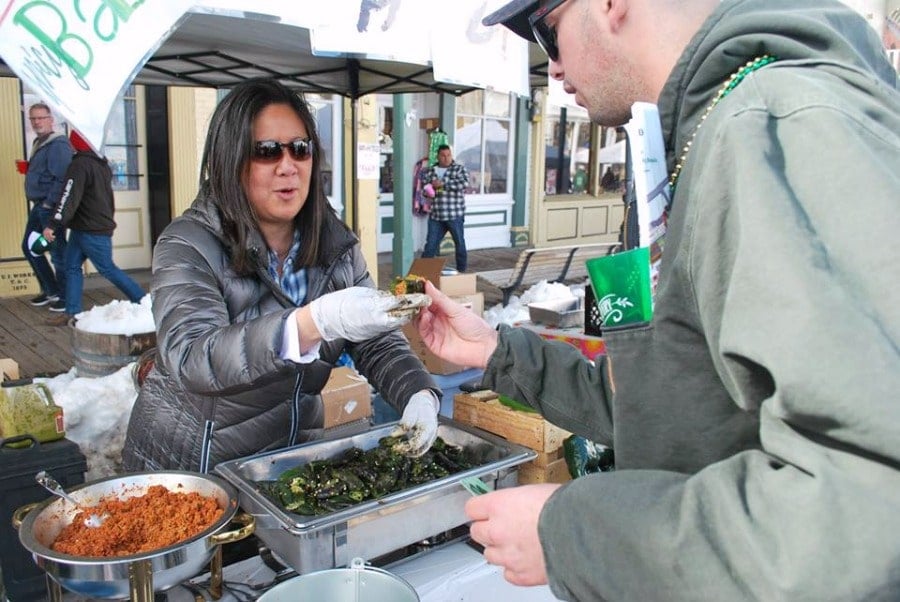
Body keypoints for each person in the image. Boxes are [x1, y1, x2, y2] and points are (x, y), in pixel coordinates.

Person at [415, 0, 900, 599]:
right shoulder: (698, 138)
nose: (554, 67)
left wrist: (574, 532)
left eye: (548, 30)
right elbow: (673, 405)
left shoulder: (772, 127)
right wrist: (501, 353)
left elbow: (864, 507)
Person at [122, 80, 440, 473]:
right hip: (193, 468)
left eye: (300, 148)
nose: (288, 166)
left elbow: (376, 340)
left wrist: (417, 392)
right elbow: (192, 358)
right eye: (267, 151)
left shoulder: (335, 245)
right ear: (229, 160)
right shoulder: (187, 243)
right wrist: (309, 324)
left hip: (286, 456)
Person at [42, 130, 146, 326]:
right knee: (71, 266)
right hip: (85, 228)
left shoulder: (79, 165)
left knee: (107, 268)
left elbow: (68, 197)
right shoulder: (100, 163)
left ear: (76, 144)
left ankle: (144, 301)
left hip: (92, 230)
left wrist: (53, 224)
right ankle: (72, 312)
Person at [21, 103, 72, 311]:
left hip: (48, 208)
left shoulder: (58, 144)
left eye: (41, 118)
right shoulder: (39, 142)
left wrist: (50, 204)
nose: (36, 122)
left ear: (51, 119)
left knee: (57, 253)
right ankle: (51, 290)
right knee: (30, 247)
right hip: (39, 207)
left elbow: (62, 179)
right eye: (33, 119)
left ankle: (65, 297)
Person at [419, 144, 469, 272]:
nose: (446, 158)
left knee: (459, 244)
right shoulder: (431, 170)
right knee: (430, 246)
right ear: (438, 156)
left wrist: (443, 183)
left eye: (448, 155)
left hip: (454, 214)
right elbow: (424, 189)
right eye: (443, 155)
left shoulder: (458, 169)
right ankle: (423, 274)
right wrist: (429, 190)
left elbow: (464, 183)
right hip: (436, 215)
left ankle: (462, 273)